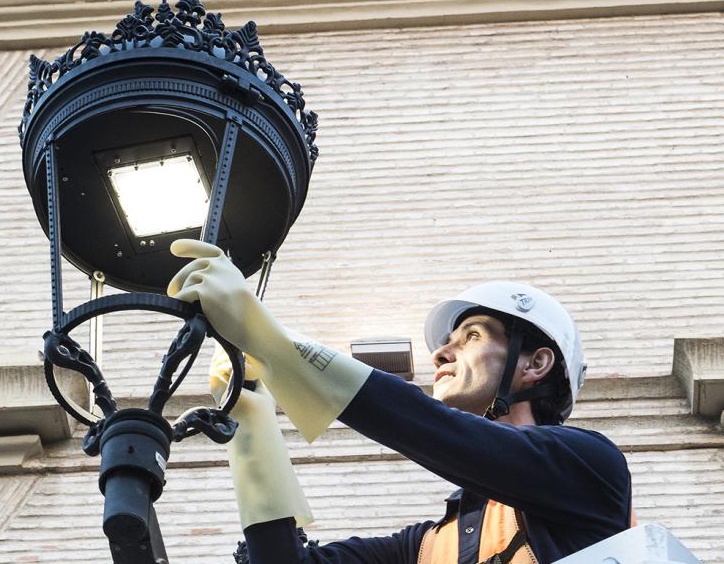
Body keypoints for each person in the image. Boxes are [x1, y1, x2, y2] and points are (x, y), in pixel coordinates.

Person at [169, 239, 632, 564]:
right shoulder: (424, 548)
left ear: (536, 364)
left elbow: (427, 426)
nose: (440, 353)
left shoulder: (590, 470)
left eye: (472, 336)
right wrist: (251, 419)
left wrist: (272, 343)